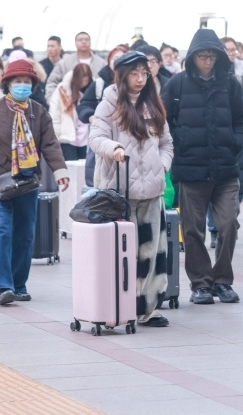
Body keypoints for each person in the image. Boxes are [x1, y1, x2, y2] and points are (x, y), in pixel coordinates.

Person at [0, 59, 69, 305]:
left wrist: (60, 170)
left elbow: (50, 144)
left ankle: (19, 284)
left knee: (24, 233)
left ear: (33, 84)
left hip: (28, 179)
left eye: (26, 81)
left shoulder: (39, 112)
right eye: (17, 81)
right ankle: (4, 286)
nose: (22, 85)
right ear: (8, 83)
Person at [160, 29, 243, 305]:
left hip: (225, 169)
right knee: (192, 230)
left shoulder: (231, 84)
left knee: (228, 225)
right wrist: (180, 146)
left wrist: (234, 144)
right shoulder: (177, 84)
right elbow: (163, 121)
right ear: (193, 57)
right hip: (191, 169)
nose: (208, 61)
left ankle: (223, 281)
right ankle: (200, 283)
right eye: (202, 56)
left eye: (212, 55)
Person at [89, 51, 174, 327]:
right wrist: (113, 148)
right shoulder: (109, 103)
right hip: (118, 191)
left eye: (144, 73)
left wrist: (161, 166)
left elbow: (167, 143)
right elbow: (95, 138)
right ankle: (118, 306)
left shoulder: (153, 104)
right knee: (121, 253)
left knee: (150, 252)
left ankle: (148, 308)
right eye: (134, 74)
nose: (140, 79)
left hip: (151, 192)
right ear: (122, 75)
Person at [49, 63, 93, 161]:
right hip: (67, 135)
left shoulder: (92, 91)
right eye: (81, 80)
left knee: (85, 169)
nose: (84, 83)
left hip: (87, 136)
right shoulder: (63, 90)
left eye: (86, 80)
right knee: (70, 168)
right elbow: (54, 113)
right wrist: (56, 135)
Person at [45, 32, 106, 97]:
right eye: (80, 40)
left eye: (86, 39)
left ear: (90, 43)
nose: (83, 42)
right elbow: (52, 82)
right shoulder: (64, 63)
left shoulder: (102, 63)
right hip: (69, 101)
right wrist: (51, 98)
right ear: (75, 44)